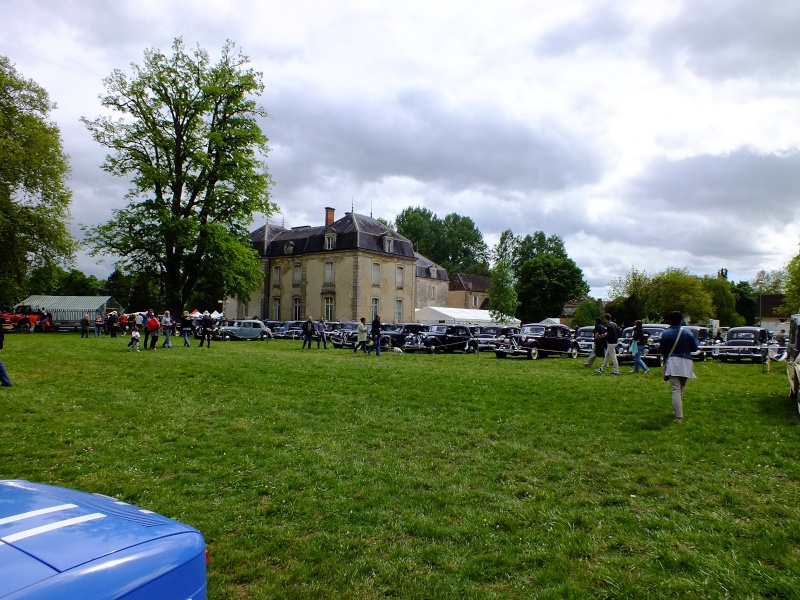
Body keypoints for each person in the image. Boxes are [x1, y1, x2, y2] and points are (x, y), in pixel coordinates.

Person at [660, 310, 698, 421]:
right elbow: (695, 348)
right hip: (686, 362)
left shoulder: (666, 333)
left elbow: (662, 349)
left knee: (675, 389)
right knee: (681, 388)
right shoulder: (688, 333)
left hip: (673, 362)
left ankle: (678, 415)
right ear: (681, 320)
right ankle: (678, 411)